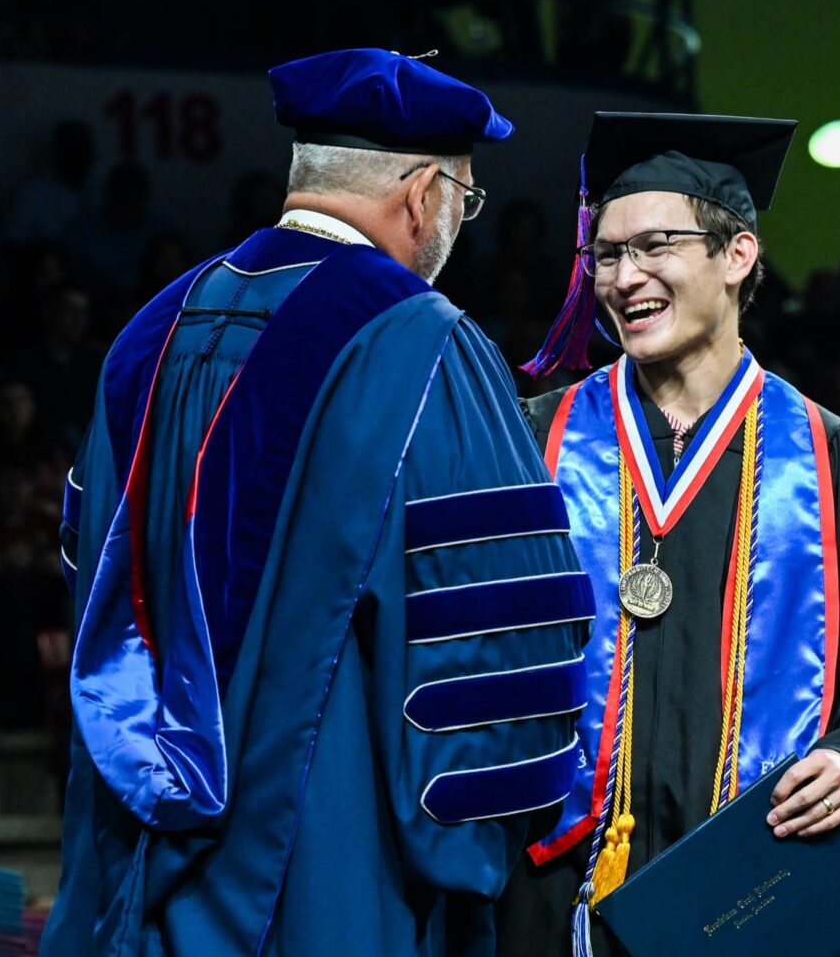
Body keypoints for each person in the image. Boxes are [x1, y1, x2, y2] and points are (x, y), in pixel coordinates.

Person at [42, 49, 591, 957]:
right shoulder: (424, 347)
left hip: (132, 865)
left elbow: (90, 576)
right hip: (329, 866)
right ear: (422, 196)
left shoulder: (148, 336)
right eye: (467, 197)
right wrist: (466, 860)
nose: (463, 221)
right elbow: (498, 636)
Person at [501, 112, 840, 956]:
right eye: (606, 254)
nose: (623, 276)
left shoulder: (836, 465)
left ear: (737, 254)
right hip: (552, 895)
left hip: (753, 892)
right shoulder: (532, 444)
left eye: (654, 245)